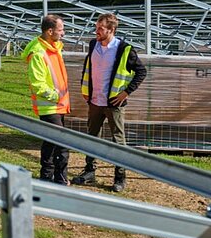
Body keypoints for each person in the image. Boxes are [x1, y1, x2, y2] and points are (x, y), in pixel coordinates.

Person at [72, 13, 146, 192]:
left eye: (100, 29)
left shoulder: (124, 49)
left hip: (113, 104)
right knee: (91, 137)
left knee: (118, 141)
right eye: (96, 27)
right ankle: (89, 171)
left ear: (111, 30)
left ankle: (120, 178)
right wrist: (87, 91)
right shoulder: (93, 44)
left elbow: (141, 72)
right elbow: (88, 68)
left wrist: (126, 92)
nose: (96, 31)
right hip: (95, 102)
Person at [22, 14, 71, 185]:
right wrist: (56, 96)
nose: (63, 33)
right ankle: (60, 178)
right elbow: (37, 84)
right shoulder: (38, 53)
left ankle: (47, 176)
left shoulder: (54, 48)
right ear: (50, 31)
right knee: (62, 142)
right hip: (50, 106)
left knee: (51, 143)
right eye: (61, 29)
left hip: (59, 105)